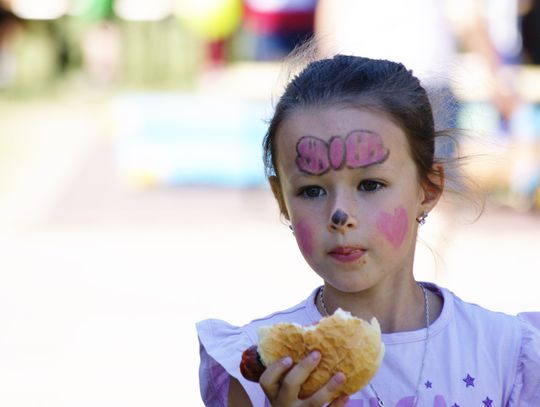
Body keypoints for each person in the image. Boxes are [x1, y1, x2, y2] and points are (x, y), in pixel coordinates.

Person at [196, 53, 540, 406]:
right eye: (312, 190)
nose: (340, 214)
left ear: (429, 187)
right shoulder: (260, 368)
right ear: (281, 198)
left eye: (370, 185)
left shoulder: (507, 353)